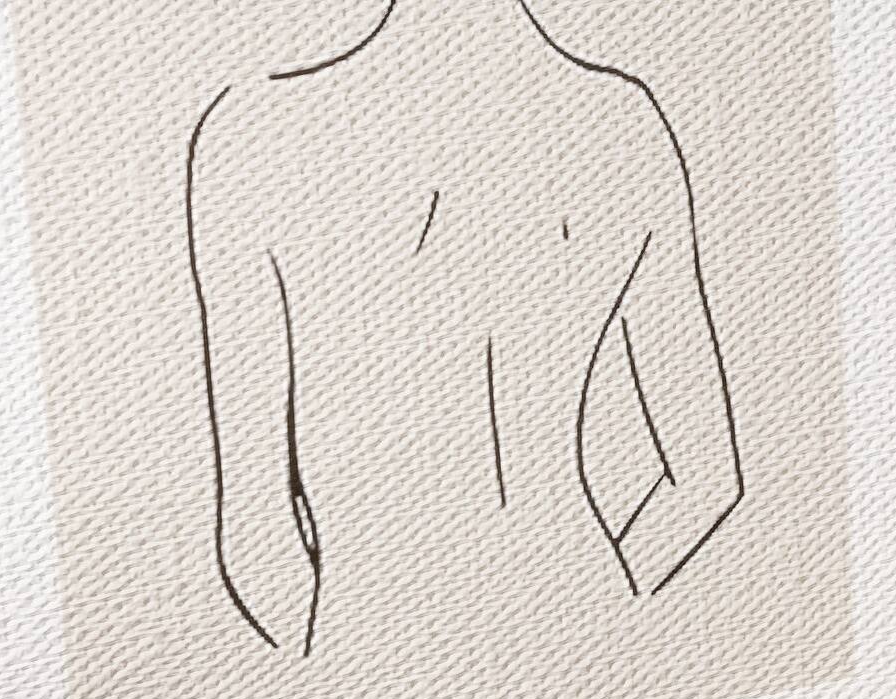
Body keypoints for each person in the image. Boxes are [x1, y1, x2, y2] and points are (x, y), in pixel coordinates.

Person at [187, 0, 746, 659]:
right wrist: (607, 615)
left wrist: (330, 663)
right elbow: (704, 481)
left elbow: (256, 534)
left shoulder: (253, 139)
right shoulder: (624, 124)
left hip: (374, 634)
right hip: (582, 613)